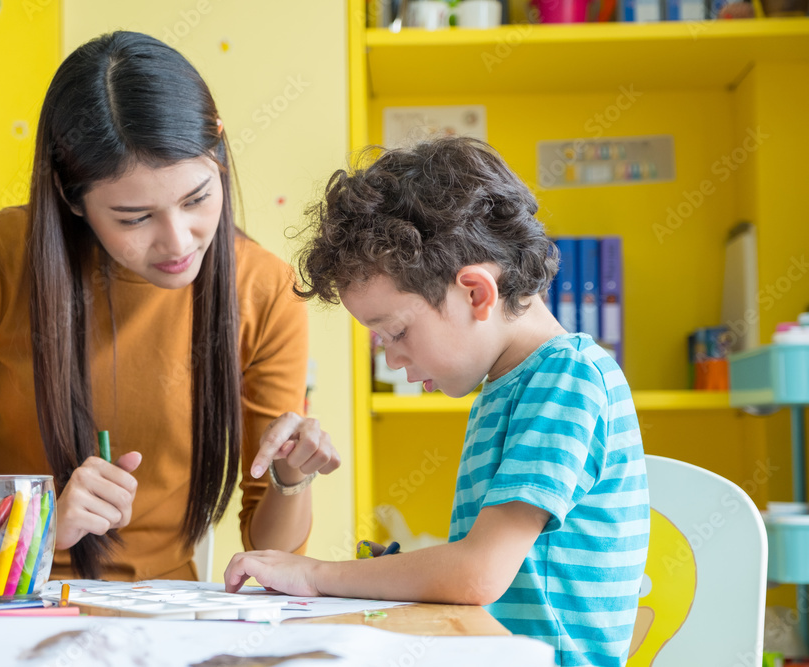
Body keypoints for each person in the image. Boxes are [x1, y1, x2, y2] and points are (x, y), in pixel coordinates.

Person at [0, 31, 339, 592]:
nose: (179, 242)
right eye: (135, 218)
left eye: (197, 198)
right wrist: (38, 522)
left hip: (158, 620)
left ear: (220, 156)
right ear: (70, 194)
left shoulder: (264, 288)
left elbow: (271, 552)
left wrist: (289, 478)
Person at [224, 137, 649, 667]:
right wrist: (386, 574)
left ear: (476, 293)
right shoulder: (510, 386)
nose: (393, 359)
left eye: (395, 331)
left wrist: (317, 576)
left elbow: (478, 573)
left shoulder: (567, 378)